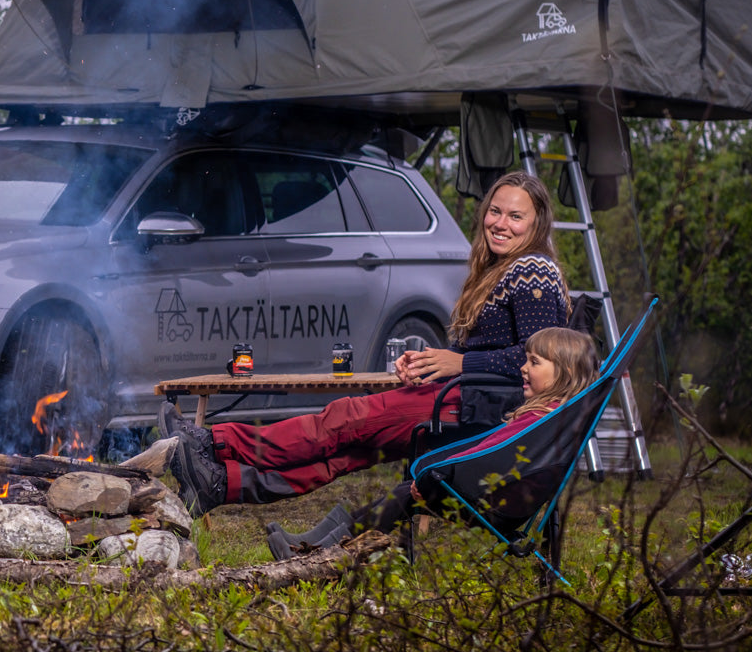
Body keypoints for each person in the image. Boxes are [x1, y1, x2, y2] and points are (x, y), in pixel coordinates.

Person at [161, 170, 570, 515]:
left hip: (478, 407)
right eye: (495, 212)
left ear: (537, 224)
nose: (501, 223)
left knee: (346, 417)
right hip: (467, 395)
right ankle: (222, 484)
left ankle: (214, 442)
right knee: (348, 453)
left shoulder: (533, 270)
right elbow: (492, 351)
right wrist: (432, 361)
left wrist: (457, 365)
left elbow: (542, 361)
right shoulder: (500, 268)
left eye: (516, 216)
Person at [266, 327, 600, 558]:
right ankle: (318, 547)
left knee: (404, 495)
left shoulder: (538, 420)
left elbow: (490, 455)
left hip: (492, 504)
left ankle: (322, 554)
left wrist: (435, 478)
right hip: (501, 500)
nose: (523, 369)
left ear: (565, 373)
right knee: (403, 495)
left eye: (534, 363)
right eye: (526, 359)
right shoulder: (556, 415)